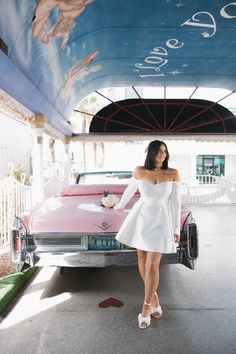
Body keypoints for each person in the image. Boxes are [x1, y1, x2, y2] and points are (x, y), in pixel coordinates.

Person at [115, 140, 181, 329]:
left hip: (161, 220)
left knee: (153, 264)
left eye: (165, 151)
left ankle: (146, 309)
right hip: (141, 218)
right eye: (159, 151)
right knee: (142, 259)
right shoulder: (139, 171)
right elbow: (129, 191)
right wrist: (117, 206)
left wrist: (176, 229)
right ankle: (154, 299)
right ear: (151, 153)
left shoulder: (173, 174)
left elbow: (176, 203)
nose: (162, 154)